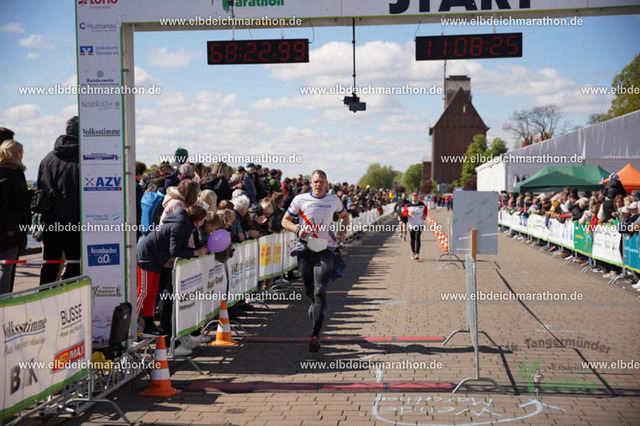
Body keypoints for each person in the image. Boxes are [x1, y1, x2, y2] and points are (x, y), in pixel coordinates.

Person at [281, 169, 350, 352]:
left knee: (320, 290)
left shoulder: (333, 200)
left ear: (326, 184)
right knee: (309, 290)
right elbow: (285, 221)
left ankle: (315, 335)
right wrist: (297, 230)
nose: (319, 184)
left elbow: (344, 216)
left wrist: (343, 230)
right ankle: (314, 304)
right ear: (310, 183)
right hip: (305, 249)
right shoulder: (300, 199)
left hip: (326, 249)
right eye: (316, 181)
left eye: (322, 181)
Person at [137, 205, 208, 338]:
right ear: (198, 220)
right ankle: (130, 326)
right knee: (144, 291)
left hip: (156, 258)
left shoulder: (185, 225)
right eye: (203, 220)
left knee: (152, 292)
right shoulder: (180, 226)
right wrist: (196, 252)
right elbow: (175, 250)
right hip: (147, 256)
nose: (203, 223)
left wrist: (195, 251)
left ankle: (149, 325)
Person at [37, 116, 81, 285]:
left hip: (51, 221)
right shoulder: (84, 157)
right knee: (76, 264)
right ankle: (65, 292)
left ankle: (44, 296)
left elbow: (40, 190)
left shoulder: (47, 159)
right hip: (75, 221)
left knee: (49, 265)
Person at [0, 140, 30, 294]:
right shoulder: (17, 175)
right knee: (6, 268)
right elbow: (21, 202)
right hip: (11, 229)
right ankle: (4, 301)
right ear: (17, 153)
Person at [403, 192, 428, 260]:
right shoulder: (408, 205)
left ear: (418, 197)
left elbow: (425, 211)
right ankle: (413, 252)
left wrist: (425, 215)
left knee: (418, 237)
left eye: (416, 197)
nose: (415, 198)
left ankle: (417, 253)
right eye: (414, 197)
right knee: (412, 238)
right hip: (411, 224)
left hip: (420, 223)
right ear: (411, 197)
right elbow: (404, 213)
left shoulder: (422, 204)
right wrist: (408, 213)